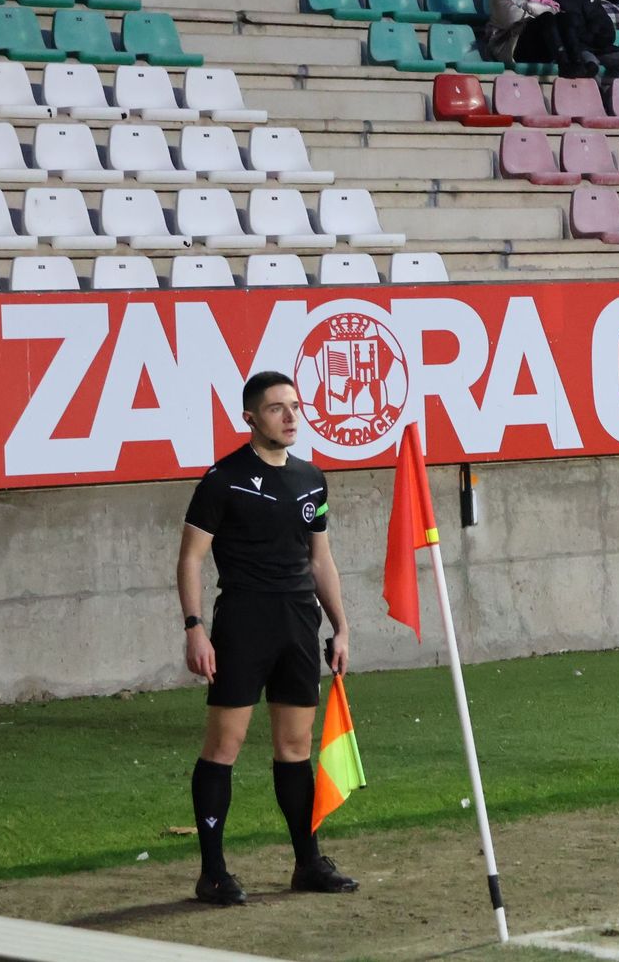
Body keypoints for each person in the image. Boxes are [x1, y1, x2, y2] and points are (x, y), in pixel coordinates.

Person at [181, 371, 357, 906]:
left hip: (298, 625)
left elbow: (319, 559)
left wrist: (341, 625)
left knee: (295, 748)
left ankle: (307, 863)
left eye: (295, 407)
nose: (290, 416)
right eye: (277, 408)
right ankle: (213, 873)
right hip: (243, 623)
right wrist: (195, 629)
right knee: (224, 746)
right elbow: (190, 558)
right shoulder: (223, 479)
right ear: (250, 418)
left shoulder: (311, 479)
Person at [485, 0, 589, 77]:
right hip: (513, 46)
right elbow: (513, 18)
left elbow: (556, 11)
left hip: (540, 43)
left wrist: (531, 7)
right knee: (547, 18)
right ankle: (563, 62)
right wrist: (540, 10)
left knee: (566, 18)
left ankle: (577, 62)